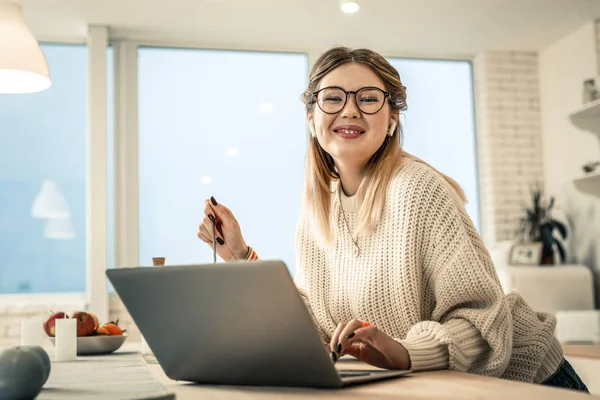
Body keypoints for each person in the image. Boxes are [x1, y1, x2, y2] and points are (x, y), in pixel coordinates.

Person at [196, 47, 588, 392]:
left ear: (392, 120)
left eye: (368, 98)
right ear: (311, 118)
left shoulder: (419, 190)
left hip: (527, 381)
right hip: (430, 386)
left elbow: (482, 320)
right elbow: (315, 324)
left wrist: (405, 351)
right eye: (333, 98)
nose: (350, 109)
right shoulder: (318, 210)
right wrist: (240, 256)